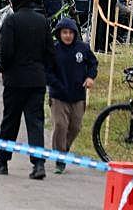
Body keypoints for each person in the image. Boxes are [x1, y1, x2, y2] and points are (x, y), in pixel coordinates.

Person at [0, 0, 53, 180]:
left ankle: (3, 160)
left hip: (15, 79)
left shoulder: (11, 21)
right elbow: (50, 52)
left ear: (14, 1)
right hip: (36, 79)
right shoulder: (42, 21)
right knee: (35, 122)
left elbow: (6, 51)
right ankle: (38, 163)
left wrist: (3, 68)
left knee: (10, 121)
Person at [47, 12, 98, 171]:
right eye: (64, 33)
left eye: (70, 33)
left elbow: (93, 63)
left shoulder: (82, 48)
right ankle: (59, 158)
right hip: (59, 95)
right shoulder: (54, 50)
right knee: (61, 125)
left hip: (77, 95)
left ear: (75, 33)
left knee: (75, 126)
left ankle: (64, 148)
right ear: (59, 33)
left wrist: (90, 77)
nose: (67, 36)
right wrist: (55, 84)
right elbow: (47, 71)